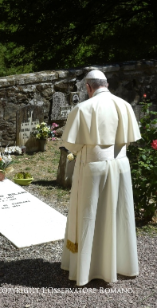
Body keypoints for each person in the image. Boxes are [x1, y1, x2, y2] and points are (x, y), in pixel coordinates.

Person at [60, 69, 141, 286]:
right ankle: (120, 265)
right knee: (117, 214)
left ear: (88, 87)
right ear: (106, 83)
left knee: (89, 215)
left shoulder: (83, 108)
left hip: (92, 168)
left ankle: (86, 270)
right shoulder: (124, 105)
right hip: (120, 167)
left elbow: (71, 145)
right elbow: (130, 138)